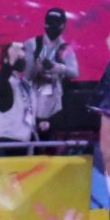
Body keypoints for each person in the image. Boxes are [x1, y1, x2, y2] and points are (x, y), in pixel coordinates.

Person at [24, 8, 79, 141]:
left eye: (57, 24)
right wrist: (38, 67)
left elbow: (74, 72)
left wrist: (57, 68)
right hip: (32, 104)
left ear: (63, 26)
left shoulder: (65, 48)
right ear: (44, 24)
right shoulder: (32, 44)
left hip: (54, 107)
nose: (52, 27)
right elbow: (27, 75)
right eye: (49, 24)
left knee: (50, 150)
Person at [0, 42, 37, 154]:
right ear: (7, 59)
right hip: (5, 144)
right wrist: (11, 61)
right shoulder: (3, 82)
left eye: (23, 58)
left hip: (24, 143)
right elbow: (0, 79)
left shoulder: (24, 85)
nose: (22, 61)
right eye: (19, 58)